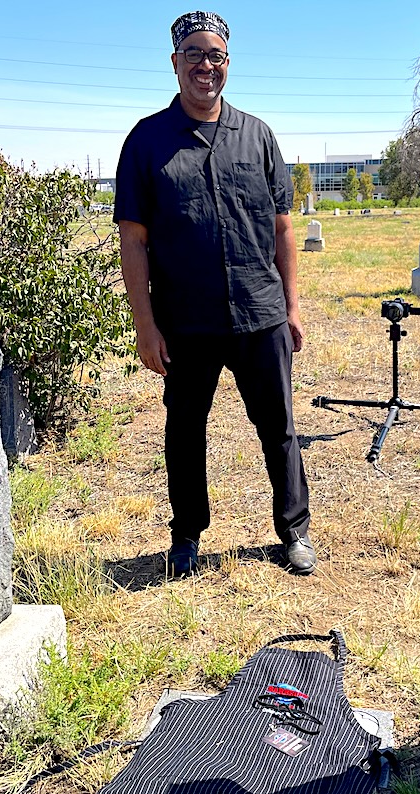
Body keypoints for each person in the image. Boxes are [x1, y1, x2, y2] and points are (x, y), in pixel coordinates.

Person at [114, 10, 315, 578]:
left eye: (217, 56)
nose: (207, 66)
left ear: (228, 64)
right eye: (195, 56)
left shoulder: (258, 135)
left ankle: (293, 530)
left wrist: (293, 306)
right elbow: (134, 241)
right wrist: (146, 325)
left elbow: (281, 227)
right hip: (186, 321)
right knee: (184, 432)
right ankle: (186, 535)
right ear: (176, 63)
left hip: (260, 312)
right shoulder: (147, 142)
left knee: (278, 428)